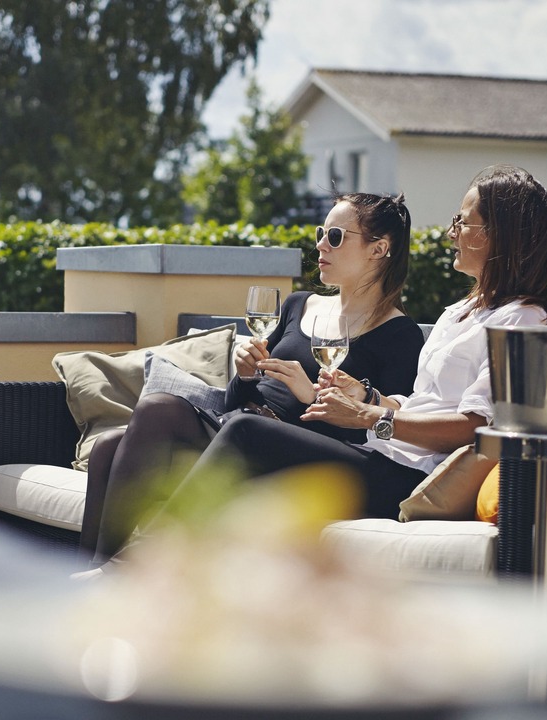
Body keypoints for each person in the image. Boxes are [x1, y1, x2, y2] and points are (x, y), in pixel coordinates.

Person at [98, 165, 547, 561]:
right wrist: (365, 397)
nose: (452, 234)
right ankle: (106, 569)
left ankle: (148, 569)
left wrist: (369, 417)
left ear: (501, 234)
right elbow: (418, 402)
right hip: (378, 454)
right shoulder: (460, 312)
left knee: (246, 431)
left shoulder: (525, 320)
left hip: (406, 477)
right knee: (117, 446)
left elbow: (476, 426)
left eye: (464, 223)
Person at [81, 192, 425, 563]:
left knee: (161, 409)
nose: (321, 245)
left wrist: (310, 396)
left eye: (336, 237)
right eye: (321, 232)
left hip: (292, 453)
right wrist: (244, 375)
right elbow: (236, 403)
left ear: (378, 249)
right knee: (108, 446)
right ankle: (92, 572)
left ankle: (138, 568)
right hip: (239, 428)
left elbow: (383, 437)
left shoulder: (398, 334)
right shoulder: (299, 304)